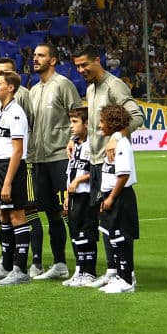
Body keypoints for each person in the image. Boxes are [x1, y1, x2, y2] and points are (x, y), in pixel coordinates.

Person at [71, 44, 144, 289]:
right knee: (103, 218)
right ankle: (113, 269)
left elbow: (136, 115)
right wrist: (76, 140)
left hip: (109, 162)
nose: (81, 70)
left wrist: (117, 135)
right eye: (78, 66)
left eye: (85, 65)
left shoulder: (115, 85)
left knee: (116, 219)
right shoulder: (91, 88)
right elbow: (91, 126)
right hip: (95, 161)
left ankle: (125, 273)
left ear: (97, 60)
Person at [27, 43, 82, 280]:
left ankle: (83, 264)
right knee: (51, 214)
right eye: (34, 55)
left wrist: (72, 140)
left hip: (60, 156)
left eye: (40, 55)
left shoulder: (63, 85)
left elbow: (79, 116)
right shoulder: (33, 90)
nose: (35, 58)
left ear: (53, 60)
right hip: (39, 159)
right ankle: (60, 263)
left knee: (70, 212)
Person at [0, 70, 32, 285]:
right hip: (1, 166)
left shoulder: (16, 112)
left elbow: (18, 150)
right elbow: (0, 147)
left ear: (10, 88)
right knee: (3, 216)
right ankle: (7, 264)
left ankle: (20, 269)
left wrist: (8, 182)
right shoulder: (2, 111)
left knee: (17, 216)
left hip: (14, 168)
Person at [94, 104, 139, 294]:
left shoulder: (121, 144)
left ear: (112, 124)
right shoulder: (114, 143)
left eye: (102, 122)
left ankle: (127, 280)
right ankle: (121, 276)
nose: (99, 126)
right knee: (114, 238)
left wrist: (111, 197)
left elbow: (123, 175)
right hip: (112, 195)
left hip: (120, 196)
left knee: (122, 238)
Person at [62, 107, 97, 287]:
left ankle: (90, 272)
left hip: (86, 195)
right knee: (76, 234)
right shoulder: (76, 144)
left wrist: (79, 180)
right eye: (71, 121)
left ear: (86, 124)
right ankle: (80, 270)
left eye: (75, 122)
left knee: (87, 233)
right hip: (75, 196)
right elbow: (72, 170)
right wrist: (68, 194)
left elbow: (96, 169)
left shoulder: (92, 144)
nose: (71, 126)